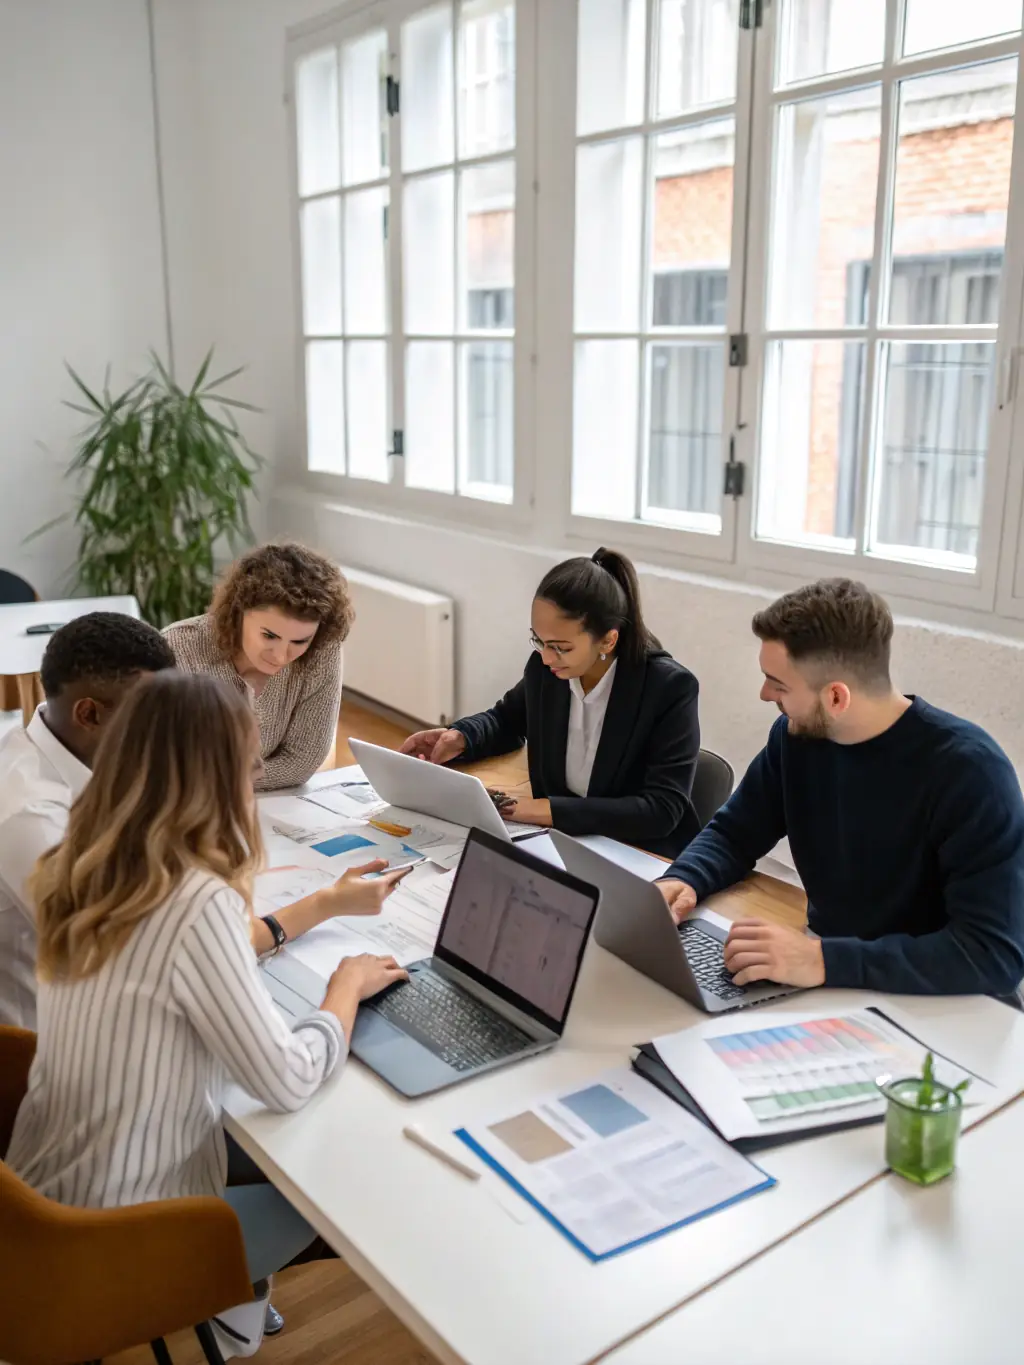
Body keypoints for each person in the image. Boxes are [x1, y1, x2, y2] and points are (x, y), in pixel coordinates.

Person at [6, 671, 408, 1358]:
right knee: (342, 1179)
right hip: (127, 1236)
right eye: (247, 769)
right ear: (219, 780)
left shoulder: (79, 862)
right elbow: (285, 1077)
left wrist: (307, 911)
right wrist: (343, 990)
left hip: (38, 1205)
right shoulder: (198, 902)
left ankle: (233, 1310)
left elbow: (161, 976)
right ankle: (232, 1310)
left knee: (253, 1130)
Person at [657, 578, 1024, 999]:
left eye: (778, 683)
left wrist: (822, 960)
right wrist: (685, 880)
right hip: (835, 980)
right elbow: (734, 833)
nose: (764, 694)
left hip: (941, 1004)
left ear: (836, 697)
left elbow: (991, 954)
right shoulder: (794, 739)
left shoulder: (971, 772)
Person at [401, 548, 701, 858]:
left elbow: (661, 810)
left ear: (609, 641)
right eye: (538, 641)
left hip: (640, 854)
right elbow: (508, 720)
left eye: (560, 647)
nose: (545, 657)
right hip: (562, 843)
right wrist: (461, 737)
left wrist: (543, 811)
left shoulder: (669, 688)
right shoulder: (546, 670)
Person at [0, 612, 175, 1029]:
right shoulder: (29, 815)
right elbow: (118, 953)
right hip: (53, 1037)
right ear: (90, 715)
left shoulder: (72, 748)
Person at [166, 542, 352, 791]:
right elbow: (168, 762)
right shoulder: (177, 647)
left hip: (270, 806)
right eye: (269, 636)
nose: (281, 656)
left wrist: (221, 779)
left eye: (299, 641)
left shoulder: (323, 649)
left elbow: (302, 762)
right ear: (238, 612)